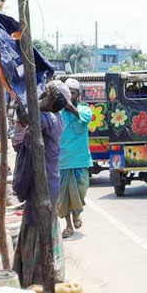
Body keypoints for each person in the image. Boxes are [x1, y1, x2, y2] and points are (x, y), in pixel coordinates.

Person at [13, 81, 67, 286]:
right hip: (46, 180)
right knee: (37, 221)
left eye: (45, 94)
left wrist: (20, 98)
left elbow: (26, 116)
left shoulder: (47, 119)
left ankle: (35, 276)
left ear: (50, 100)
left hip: (42, 182)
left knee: (37, 224)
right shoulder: (55, 118)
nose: (41, 97)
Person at [56, 79, 93, 238]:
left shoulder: (85, 110)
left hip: (81, 159)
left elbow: (83, 119)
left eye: (73, 92)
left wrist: (69, 106)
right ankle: (68, 225)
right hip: (62, 161)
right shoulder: (57, 113)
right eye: (67, 92)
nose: (70, 95)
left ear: (79, 94)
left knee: (82, 189)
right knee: (62, 197)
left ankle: (77, 213)